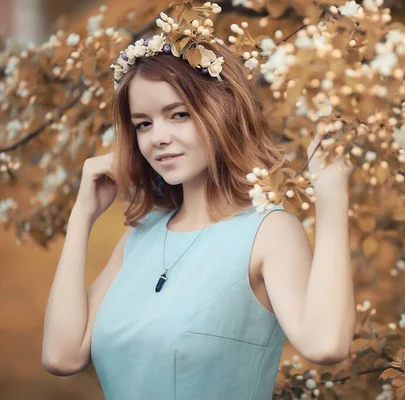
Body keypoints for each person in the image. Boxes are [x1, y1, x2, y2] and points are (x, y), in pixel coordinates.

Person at [42, 7, 355, 400]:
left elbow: (325, 344)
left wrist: (331, 195)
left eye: (178, 115)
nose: (158, 137)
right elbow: (61, 356)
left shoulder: (268, 231)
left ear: (222, 113)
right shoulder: (141, 237)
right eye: (143, 123)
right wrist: (80, 217)